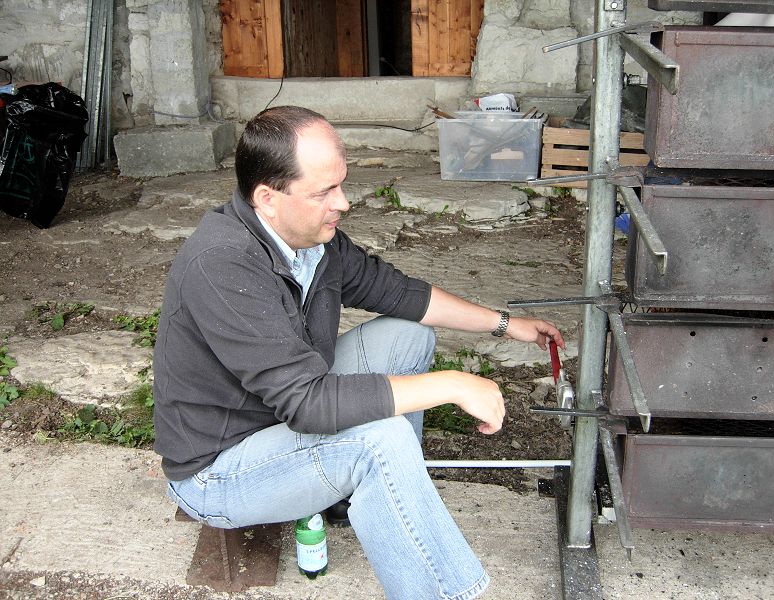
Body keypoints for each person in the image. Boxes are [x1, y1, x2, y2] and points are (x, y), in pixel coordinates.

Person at [153, 105, 565, 600]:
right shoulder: (222, 264)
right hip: (220, 469)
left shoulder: (308, 240)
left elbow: (401, 294)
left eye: (341, 184)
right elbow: (308, 404)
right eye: (324, 191)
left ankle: (378, 496)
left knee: (408, 336)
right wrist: (453, 384)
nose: (343, 202)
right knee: (379, 440)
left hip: (275, 415)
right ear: (267, 198)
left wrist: (505, 324)